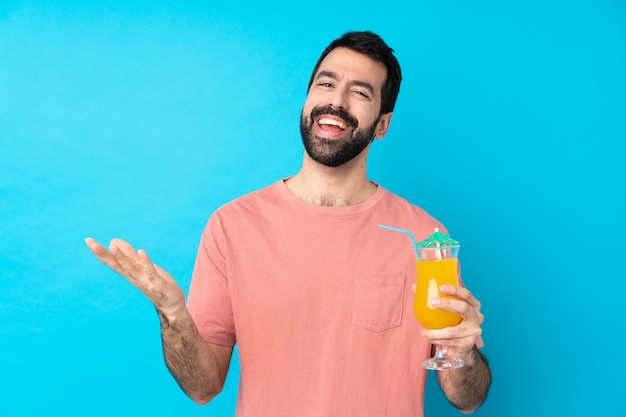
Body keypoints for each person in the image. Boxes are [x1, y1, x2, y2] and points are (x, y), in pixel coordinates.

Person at [85, 31, 491, 416]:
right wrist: (173, 316)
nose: (337, 101)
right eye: (326, 84)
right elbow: (202, 388)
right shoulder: (232, 226)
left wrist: (464, 353)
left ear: (382, 124)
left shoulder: (424, 237)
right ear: (307, 99)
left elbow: (467, 400)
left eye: (360, 92)